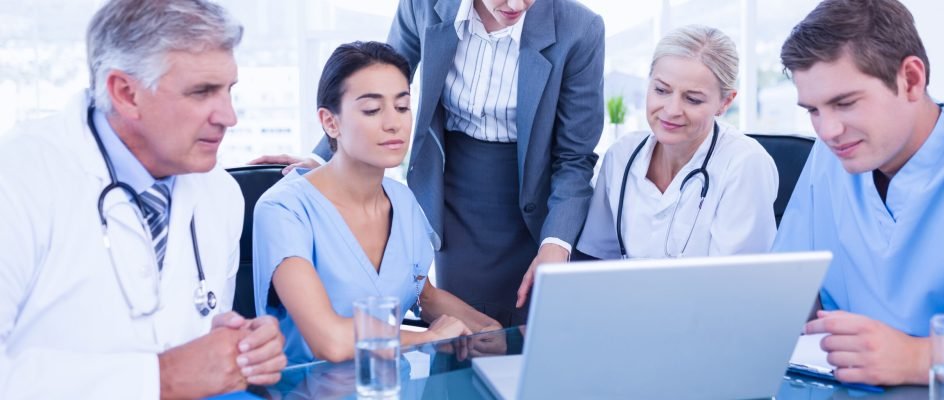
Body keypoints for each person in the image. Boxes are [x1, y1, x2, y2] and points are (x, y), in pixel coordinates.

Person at [250, 0, 605, 326]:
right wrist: (322, 155)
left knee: (533, 337)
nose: (515, 5)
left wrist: (556, 243)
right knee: (465, 344)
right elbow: (375, 77)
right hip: (456, 197)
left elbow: (574, 157)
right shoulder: (425, 5)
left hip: (542, 203)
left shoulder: (580, 29)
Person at [0, 1, 286, 398]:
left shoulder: (219, 194)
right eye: (202, 92)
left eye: (228, 90)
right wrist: (159, 378)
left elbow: (189, 332)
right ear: (126, 93)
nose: (229, 116)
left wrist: (236, 347)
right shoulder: (17, 179)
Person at [772, 0, 944, 388]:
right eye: (813, 110)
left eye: (845, 103)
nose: (827, 131)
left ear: (911, 79)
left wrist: (917, 357)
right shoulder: (831, 158)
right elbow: (785, 296)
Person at [253, 41, 502, 365]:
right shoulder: (283, 210)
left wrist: (487, 328)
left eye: (402, 107)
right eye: (372, 110)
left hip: (394, 386)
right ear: (331, 122)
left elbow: (422, 295)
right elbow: (328, 339)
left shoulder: (402, 200)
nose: (393, 123)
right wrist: (426, 338)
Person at [576, 25, 778, 260]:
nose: (672, 110)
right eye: (661, 90)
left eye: (692, 99)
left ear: (725, 102)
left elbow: (738, 283)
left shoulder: (745, 164)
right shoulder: (621, 155)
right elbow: (598, 259)